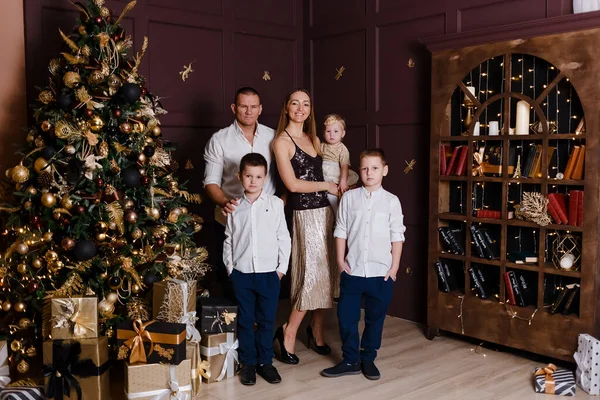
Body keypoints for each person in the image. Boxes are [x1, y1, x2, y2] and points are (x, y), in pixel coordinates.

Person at [321, 148, 406, 381]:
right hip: (353, 269)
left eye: (375, 168)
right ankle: (350, 360)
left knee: (375, 318)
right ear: (360, 170)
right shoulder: (349, 197)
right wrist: (340, 260)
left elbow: (397, 235)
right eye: (365, 168)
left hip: (382, 272)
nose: (369, 173)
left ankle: (368, 357)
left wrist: (394, 267)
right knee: (346, 316)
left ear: (384, 170)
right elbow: (341, 230)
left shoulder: (391, 201)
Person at [272, 89, 339, 364]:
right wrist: (326, 185)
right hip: (305, 213)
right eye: (295, 103)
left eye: (306, 104)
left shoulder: (314, 138)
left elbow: (333, 168)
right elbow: (293, 185)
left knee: (327, 271)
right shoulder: (281, 142)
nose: (301, 108)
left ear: (310, 109)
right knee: (310, 273)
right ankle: (288, 331)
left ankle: (316, 330)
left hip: (327, 211)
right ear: (287, 108)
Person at [223, 152, 291, 385]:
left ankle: (265, 362)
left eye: (258, 176)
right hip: (242, 274)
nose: (253, 180)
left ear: (265, 177)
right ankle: (248, 363)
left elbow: (284, 237)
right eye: (249, 176)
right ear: (240, 176)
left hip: (268, 274)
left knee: (265, 320)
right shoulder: (234, 207)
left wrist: (281, 269)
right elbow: (229, 240)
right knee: (245, 320)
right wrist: (231, 269)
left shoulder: (274, 204)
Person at [203, 87, 276, 300]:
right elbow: (211, 183)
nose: (248, 111)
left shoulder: (273, 137)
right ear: (234, 108)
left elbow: (285, 175)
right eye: (243, 106)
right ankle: (232, 329)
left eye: (253, 106)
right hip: (230, 220)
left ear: (260, 109)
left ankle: (258, 326)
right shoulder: (219, 140)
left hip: (265, 220)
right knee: (230, 277)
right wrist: (226, 203)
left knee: (265, 276)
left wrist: (280, 203)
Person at [321, 114, 359, 214]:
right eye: (328, 131)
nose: (332, 135)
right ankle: (335, 213)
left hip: (335, 173)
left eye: (336, 131)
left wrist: (343, 181)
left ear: (342, 133)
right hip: (324, 171)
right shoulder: (322, 146)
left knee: (339, 195)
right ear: (324, 133)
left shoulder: (342, 149)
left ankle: (341, 214)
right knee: (328, 194)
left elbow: (344, 167)